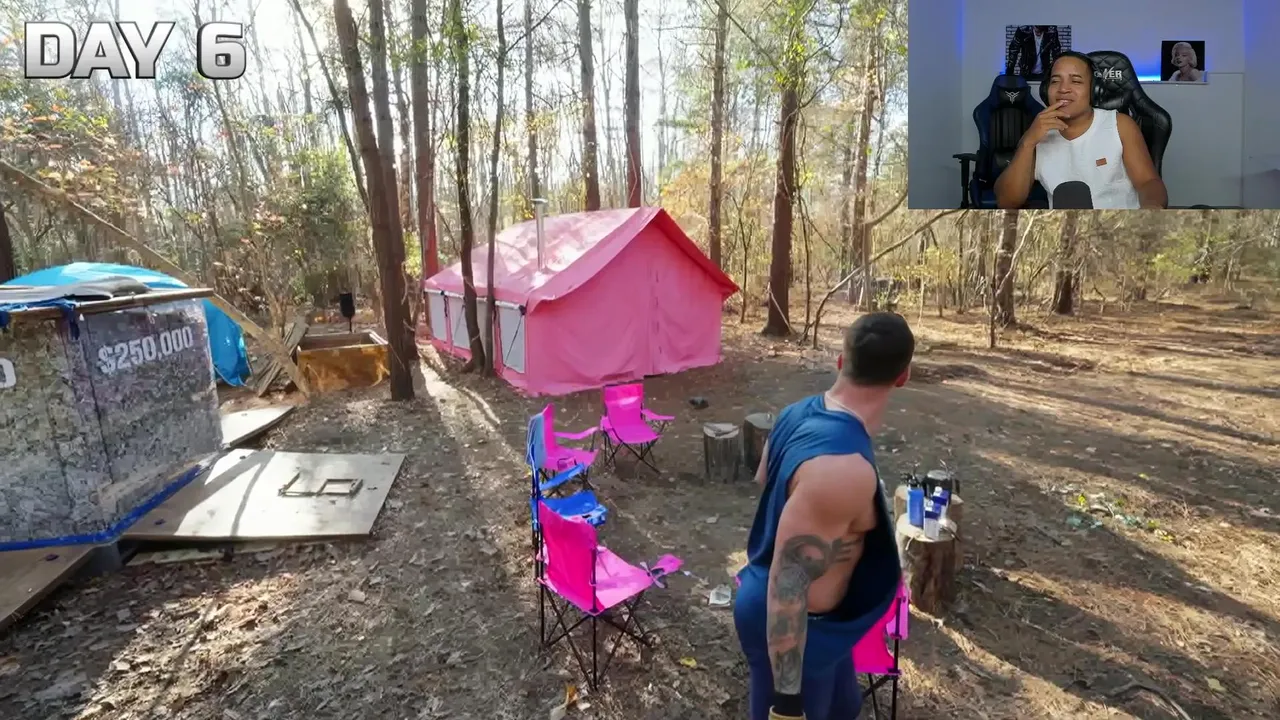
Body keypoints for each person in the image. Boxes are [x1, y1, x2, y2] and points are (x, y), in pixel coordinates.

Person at [733, 312, 912, 720]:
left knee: (845, 707)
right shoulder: (841, 469)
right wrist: (787, 703)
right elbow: (788, 589)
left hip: (827, 626)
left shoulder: (795, 413)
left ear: (840, 361)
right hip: (793, 633)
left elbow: (765, 479)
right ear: (903, 376)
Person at [995, 51, 1168, 210]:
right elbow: (1007, 202)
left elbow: (1148, 182)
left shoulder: (1120, 125)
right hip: (1066, 229)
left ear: (1093, 90)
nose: (1063, 89)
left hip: (1119, 228)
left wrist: (1151, 207)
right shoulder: (1038, 135)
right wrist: (1027, 143)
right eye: (1055, 81)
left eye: (1076, 81)